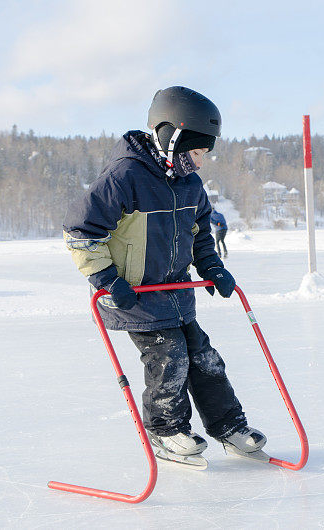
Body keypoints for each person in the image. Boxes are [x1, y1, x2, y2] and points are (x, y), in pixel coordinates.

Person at [62, 86, 266, 464]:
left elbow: (200, 229)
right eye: (196, 152)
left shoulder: (188, 182)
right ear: (169, 136)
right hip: (134, 297)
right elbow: (81, 232)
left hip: (176, 294)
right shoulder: (125, 176)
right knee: (168, 358)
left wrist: (212, 267)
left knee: (205, 359)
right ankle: (166, 430)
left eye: (204, 153)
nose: (200, 162)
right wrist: (108, 280)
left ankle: (229, 426)